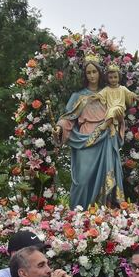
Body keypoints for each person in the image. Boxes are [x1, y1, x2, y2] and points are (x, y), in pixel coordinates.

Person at [54, 54, 124, 209]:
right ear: (85, 75)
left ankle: (103, 215)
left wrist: (117, 117)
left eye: (95, 72)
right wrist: (59, 127)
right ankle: (79, 215)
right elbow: (69, 118)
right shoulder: (78, 96)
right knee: (82, 180)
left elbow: (119, 112)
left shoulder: (109, 93)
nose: (92, 75)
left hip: (106, 137)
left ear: (100, 73)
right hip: (84, 141)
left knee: (106, 180)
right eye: (88, 72)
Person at [95, 63, 137, 137]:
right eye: (111, 77)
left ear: (119, 78)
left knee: (113, 110)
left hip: (119, 109)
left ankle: (105, 125)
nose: (113, 79)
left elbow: (130, 94)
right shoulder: (106, 89)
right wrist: (96, 97)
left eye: (115, 77)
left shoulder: (123, 88)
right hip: (109, 110)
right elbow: (100, 95)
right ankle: (113, 128)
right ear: (107, 78)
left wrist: (135, 96)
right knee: (109, 112)